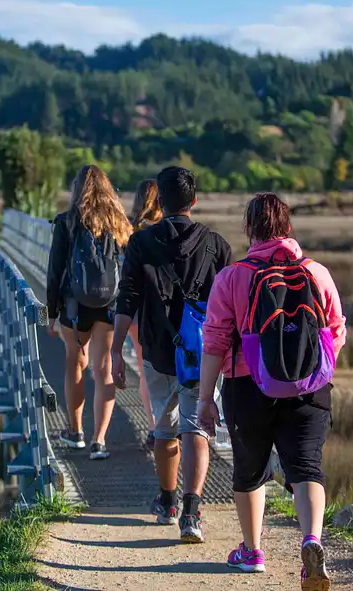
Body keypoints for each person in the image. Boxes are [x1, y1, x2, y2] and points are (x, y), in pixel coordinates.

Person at [196, 193, 345, 590]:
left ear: (249, 229)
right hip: (310, 388)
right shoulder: (318, 273)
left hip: (248, 386)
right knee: (306, 467)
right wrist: (313, 371)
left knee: (250, 470)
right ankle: (312, 540)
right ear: (288, 227)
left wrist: (205, 399)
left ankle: (252, 551)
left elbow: (214, 342)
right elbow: (335, 331)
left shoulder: (232, 277)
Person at [111, 166, 232, 543]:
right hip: (204, 353)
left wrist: (116, 350)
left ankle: (167, 502)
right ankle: (192, 513)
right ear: (194, 200)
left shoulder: (141, 243)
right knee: (196, 426)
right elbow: (230, 306)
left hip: (159, 350)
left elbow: (127, 299)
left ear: (160, 202)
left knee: (165, 427)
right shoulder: (217, 245)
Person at [46, 164, 131, 461]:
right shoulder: (118, 221)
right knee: (104, 367)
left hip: (74, 305)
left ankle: (76, 431)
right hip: (110, 303)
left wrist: (52, 313)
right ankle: (100, 441)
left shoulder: (67, 221)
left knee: (74, 362)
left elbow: (55, 271)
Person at [128, 178, 162, 449]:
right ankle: (169, 426)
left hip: (137, 313)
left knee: (145, 369)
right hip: (166, 312)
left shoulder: (129, 230)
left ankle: (154, 427)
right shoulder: (168, 229)